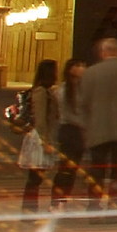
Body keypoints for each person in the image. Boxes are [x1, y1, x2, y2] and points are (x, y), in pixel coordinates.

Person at [75, 37, 117, 210]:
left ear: (103, 52)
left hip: (98, 129)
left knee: (97, 170)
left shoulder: (90, 72)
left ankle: (94, 207)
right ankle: (113, 207)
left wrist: (85, 126)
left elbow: (83, 102)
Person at [16, 59, 59, 214]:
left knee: (36, 177)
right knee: (35, 177)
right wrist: (45, 141)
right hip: (39, 137)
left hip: (42, 136)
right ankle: (29, 209)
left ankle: (30, 209)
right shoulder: (41, 91)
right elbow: (40, 119)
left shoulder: (47, 91)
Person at [51, 57, 88, 210]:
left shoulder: (84, 88)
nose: (83, 68)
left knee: (72, 169)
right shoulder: (63, 90)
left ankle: (62, 200)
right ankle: (57, 201)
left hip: (79, 131)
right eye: (79, 65)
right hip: (69, 130)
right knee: (65, 168)